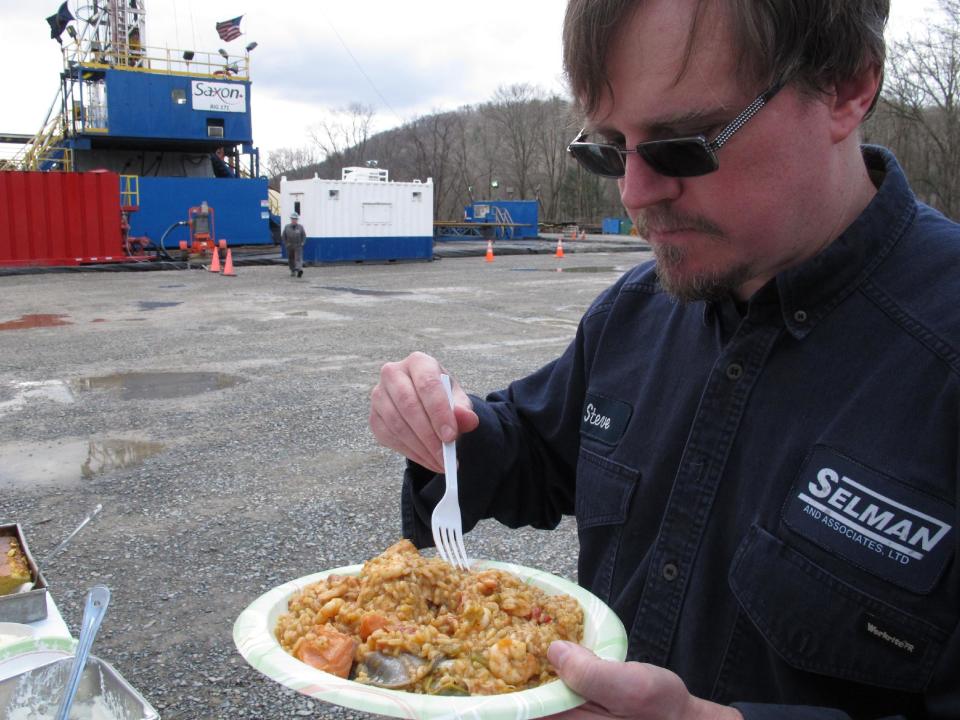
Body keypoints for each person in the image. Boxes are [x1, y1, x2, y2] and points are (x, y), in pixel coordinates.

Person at [369, 0, 960, 718]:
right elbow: (536, 451)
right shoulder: (633, 313)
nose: (634, 191)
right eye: (609, 148)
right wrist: (445, 427)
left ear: (845, 87)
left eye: (685, 142)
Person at [282, 212, 306, 278]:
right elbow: (283, 236)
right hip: (289, 245)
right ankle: (292, 271)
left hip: (298, 245)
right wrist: (286, 243)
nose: (294, 220)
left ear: (297, 220)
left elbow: (304, 236)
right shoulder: (287, 227)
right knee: (291, 259)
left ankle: (299, 270)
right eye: (293, 219)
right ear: (291, 219)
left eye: (295, 219)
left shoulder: (300, 227)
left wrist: (303, 242)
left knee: (298, 258)